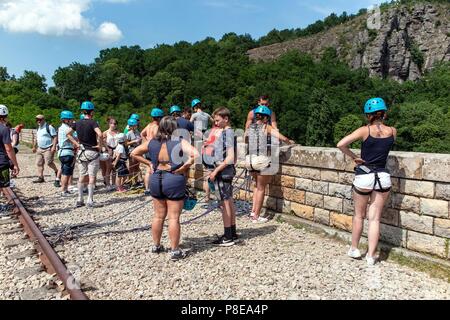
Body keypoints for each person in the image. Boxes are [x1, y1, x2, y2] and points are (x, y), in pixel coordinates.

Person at [337, 98, 396, 266]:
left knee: (358, 215)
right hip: (383, 177)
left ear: (368, 115)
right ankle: (371, 256)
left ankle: (354, 249)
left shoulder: (364, 130)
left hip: (364, 175)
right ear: (384, 113)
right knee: (375, 218)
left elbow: (341, 144)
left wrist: (354, 157)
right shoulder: (392, 131)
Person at [131, 116, 199, 261]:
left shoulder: (152, 142)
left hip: (156, 178)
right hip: (173, 177)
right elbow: (195, 154)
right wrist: (185, 166)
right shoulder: (179, 141)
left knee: (158, 216)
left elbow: (134, 153)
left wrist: (149, 163)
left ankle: (156, 245)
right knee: (173, 217)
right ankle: (174, 250)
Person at [245, 105, 295, 223]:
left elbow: (246, 140)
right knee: (261, 188)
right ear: (266, 118)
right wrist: (290, 142)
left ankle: (252, 212)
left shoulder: (250, 127)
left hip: (249, 160)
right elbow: (281, 137)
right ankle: (256, 216)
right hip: (261, 160)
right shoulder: (266, 126)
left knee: (256, 186)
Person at [209, 107, 239, 246]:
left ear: (226, 119)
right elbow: (235, 156)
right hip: (228, 171)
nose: (216, 123)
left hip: (223, 172)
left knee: (224, 203)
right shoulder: (231, 133)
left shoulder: (227, 134)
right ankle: (232, 232)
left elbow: (231, 157)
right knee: (230, 201)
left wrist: (216, 171)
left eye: (217, 120)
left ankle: (227, 236)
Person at [67, 101, 104, 208]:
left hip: (81, 152)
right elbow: (100, 134)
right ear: (91, 112)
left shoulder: (76, 123)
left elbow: (68, 134)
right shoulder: (93, 122)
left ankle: (79, 199)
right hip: (92, 151)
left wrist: (76, 144)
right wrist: (99, 145)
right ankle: (90, 200)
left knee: (81, 176)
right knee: (92, 176)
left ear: (83, 111)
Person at [141, 108, 164, 195]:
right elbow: (157, 138)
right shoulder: (157, 127)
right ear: (158, 118)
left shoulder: (149, 125)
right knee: (156, 168)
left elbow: (142, 134)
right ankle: (155, 188)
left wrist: (146, 142)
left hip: (147, 149)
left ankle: (147, 188)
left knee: (148, 168)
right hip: (154, 149)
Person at [32, 115, 59, 186]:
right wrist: (34, 146)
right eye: (37, 120)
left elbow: (55, 137)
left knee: (49, 162)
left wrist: (54, 146)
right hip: (40, 148)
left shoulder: (49, 127)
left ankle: (57, 171)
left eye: (40, 119)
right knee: (39, 163)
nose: (38, 121)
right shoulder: (38, 128)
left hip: (48, 148)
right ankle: (41, 177)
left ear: (43, 119)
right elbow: (37, 138)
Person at [57, 111, 78, 196]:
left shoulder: (61, 128)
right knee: (66, 172)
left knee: (64, 171)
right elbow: (73, 138)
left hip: (62, 152)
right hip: (67, 152)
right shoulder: (66, 129)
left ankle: (64, 189)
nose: (72, 121)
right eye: (70, 119)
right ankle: (63, 190)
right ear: (65, 120)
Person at [0, 105, 19, 188]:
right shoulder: (4, 129)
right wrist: (15, 165)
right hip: (1, 163)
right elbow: (9, 149)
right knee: (3, 186)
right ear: (2, 118)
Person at [102, 117, 119, 192]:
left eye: (115, 124)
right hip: (108, 150)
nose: (113, 125)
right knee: (108, 168)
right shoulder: (105, 132)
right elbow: (103, 142)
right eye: (112, 123)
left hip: (116, 150)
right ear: (109, 124)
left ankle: (113, 184)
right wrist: (108, 149)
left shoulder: (118, 132)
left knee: (114, 168)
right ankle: (108, 184)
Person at [126, 118, 142, 187]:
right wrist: (134, 141)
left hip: (138, 150)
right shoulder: (128, 133)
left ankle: (135, 182)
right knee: (131, 167)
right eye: (135, 125)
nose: (136, 126)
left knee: (136, 167)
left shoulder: (138, 132)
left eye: (136, 125)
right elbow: (126, 143)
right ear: (131, 126)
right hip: (131, 150)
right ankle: (130, 182)